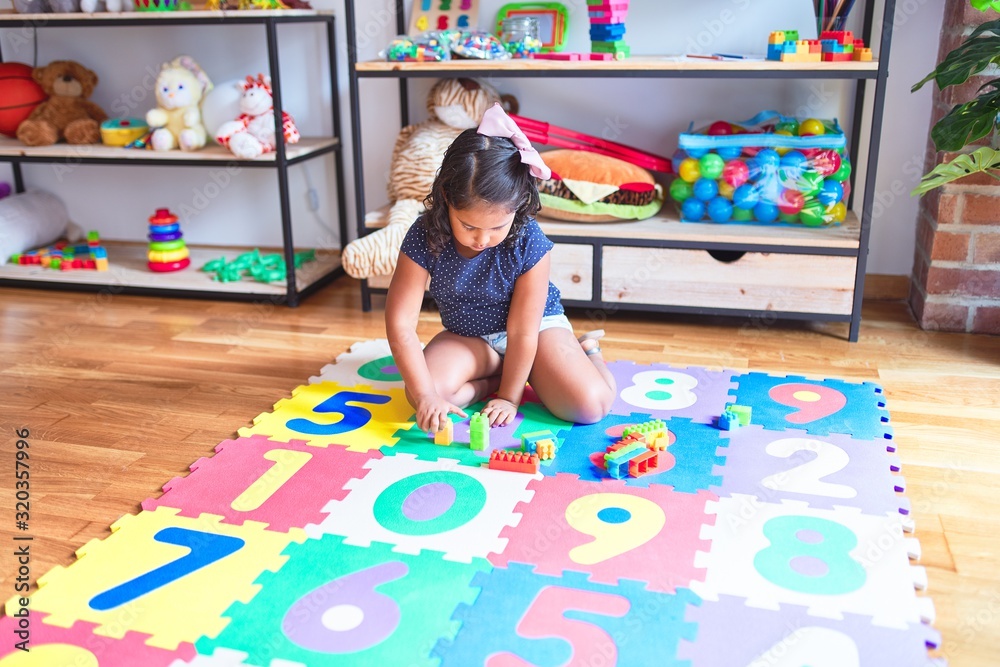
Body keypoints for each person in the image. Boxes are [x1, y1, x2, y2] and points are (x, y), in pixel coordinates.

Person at [385, 103, 617, 434]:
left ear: (518, 207)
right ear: (447, 198)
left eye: (497, 227)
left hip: (535, 332)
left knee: (590, 406)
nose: (482, 239)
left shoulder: (528, 239)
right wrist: (425, 397)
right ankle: (494, 377)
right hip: (470, 336)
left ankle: (589, 352)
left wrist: (510, 397)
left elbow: (523, 331)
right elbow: (401, 324)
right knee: (420, 392)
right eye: (468, 226)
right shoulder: (425, 234)